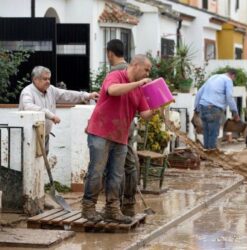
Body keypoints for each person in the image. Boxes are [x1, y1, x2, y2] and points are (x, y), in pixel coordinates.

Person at [82, 54, 157, 224]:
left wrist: (158, 106)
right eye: (146, 69)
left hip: (121, 136)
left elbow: (145, 115)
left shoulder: (139, 89)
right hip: (100, 131)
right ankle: (88, 208)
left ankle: (112, 210)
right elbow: (112, 90)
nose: (147, 74)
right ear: (135, 65)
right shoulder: (115, 76)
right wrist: (138, 84)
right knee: (96, 172)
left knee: (116, 175)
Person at [19, 66, 99, 154]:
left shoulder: (51, 90)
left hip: (44, 135)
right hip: (29, 137)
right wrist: (50, 115)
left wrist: (88, 95)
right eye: (45, 79)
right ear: (35, 79)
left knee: (41, 165)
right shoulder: (27, 92)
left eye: (49, 79)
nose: (48, 82)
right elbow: (28, 106)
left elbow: (67, 95)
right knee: (29, 164)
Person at [106, 39, 138, 217]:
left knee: (118, 165)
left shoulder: (115, 72)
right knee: (129, 163)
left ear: (110, 53)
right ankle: (128, 204)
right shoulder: (131, 70)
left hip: (117, 124)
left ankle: (117, 206)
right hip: (129, 122)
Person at [194, 68, 240, 149]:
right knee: (213, 133)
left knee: (207, 133)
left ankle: (207, 155)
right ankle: (211, 155)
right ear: (233, 75)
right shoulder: (228, 80)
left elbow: (199, 93)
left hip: (203, 107)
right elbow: (229, 97)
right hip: (214, 109)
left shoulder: (213, 77)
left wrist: (197, 110)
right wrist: (235, 112)